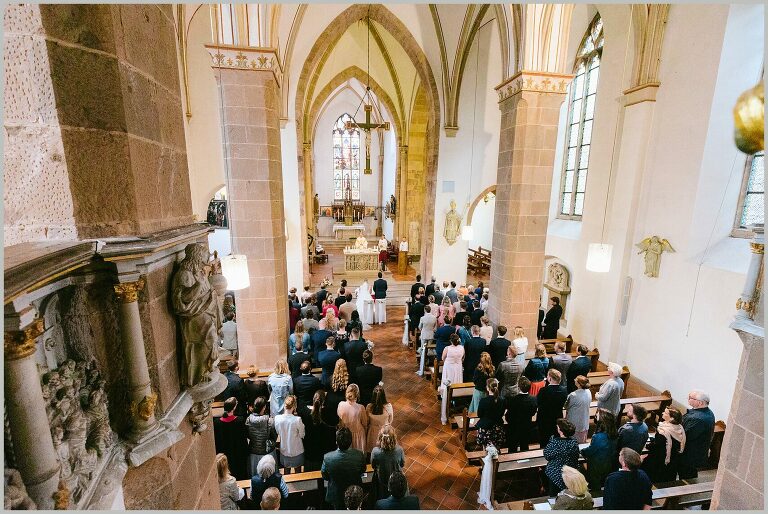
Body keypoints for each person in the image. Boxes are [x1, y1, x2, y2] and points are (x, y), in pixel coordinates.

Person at [322, 427, 367, 510]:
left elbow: (325, 476)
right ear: (350, 442)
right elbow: (363, 470)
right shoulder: (359, 455)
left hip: (336, 493)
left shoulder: (327, 457)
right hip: (355, 492)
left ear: (336, 442)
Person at [678, 389, 715, 479]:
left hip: (690, 454)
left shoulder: (698, 419)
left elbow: (686, 435)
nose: (688, 399)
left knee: (687, 473)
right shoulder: (707, 412)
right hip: (695, 451)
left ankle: (687, 490)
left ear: (700, 403)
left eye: (691, 398)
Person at [642, 407, 686, 483]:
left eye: (665, 413)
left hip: (661, 459)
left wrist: (648, 445)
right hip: (673, 457)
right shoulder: (680, 427)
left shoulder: (664, 432)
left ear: (671, 418)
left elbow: (657, 447)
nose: (662, 413)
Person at [581, 409, 619, 489]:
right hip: (609, 462)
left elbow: (591, 450)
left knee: (595, 484)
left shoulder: (598, 436)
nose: (595, 416)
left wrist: (582, 451)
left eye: (597, 415)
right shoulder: (614, 433)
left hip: (597, 464)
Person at [213, 397, 249, 480]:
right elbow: (244, 438)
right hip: (238, 454)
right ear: (234, 408)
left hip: (224, 453)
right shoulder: (240, 421)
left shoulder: (217, 423)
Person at [543, 419, 581, 496]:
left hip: (556, 474)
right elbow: (576, 455)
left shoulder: (555, 442)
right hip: (571, 472)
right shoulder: (574, 442)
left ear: (560, 430)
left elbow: (547, 455)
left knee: (554, 496)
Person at [370, 425, 405, 500]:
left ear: (380, 438)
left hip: (382, 480)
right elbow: (402, 464)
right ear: (393, 438)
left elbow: (373, 466)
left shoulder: (375, 452)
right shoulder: (399, 450)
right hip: (396, 480)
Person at [505, 376, 538, 452]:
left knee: (512, 447)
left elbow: (508, 415)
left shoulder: (513, 400)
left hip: (514, 427)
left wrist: (509, 421)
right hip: (526, 425)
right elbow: (533, 412)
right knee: (525, 446)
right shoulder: (533, 399)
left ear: (518, 387)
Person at [245, 397, 277, 477]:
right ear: (264, 407)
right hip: (267, 452)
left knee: (255, 476)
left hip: (254, 451)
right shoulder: (270, 421)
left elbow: (247, 435)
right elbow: (274, 436)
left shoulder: (248, 420)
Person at [537, 369, 568, 448]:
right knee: (556, 438)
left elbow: (538, 403)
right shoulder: (564, 390)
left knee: (544, 439)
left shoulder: (544, 391)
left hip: (544, 419)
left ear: (550, 378)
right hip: (557, 417)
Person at [274, 395, 305, 471]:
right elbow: (302, 434)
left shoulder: (277, 418)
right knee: (298, 472)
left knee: (286, 471)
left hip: (285, 449)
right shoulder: (297, 419)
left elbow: (278, 432)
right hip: (297, 450)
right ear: (294, 407)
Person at [475, 378, 506, 449]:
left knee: (485, 448)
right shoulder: (502, 400)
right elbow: (502, 413)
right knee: (497, 447)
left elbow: (479, 415)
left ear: (488, 388)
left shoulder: (484, 401)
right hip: (497, 427)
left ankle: (486, 458)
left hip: (486, 428)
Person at [338, 383, 369, 451]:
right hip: (358, 436)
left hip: (345, 436)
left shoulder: (340, 405)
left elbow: (339, 420)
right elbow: (365, 424)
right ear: (357, 395)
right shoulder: (361, 408)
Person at [366, 386, 394, 453]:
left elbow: (367, 421)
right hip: (385, 432)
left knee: (373, 449)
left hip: (372, 432)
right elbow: (391, 420)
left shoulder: (369, 407)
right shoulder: (388, 406)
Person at [564, 375, 591, 443]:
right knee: (582, 440)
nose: (574, 380)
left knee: (573, 440)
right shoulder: (588, 391)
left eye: (576, 380)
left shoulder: (573, 395)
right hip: (584, 418)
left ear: (579, 384)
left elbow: (566, 406)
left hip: (575, 420)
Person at [326, 359, 349, 426]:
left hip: (331, 402)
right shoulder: (349, 379)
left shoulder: (330, 378)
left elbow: (326, 389)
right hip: (344, 402)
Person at [417, 305, 438, 376]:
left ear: (425, 310)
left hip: (424, 335)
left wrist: (423, 329)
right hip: (431, 335)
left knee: (423, 349)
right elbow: (435, 328)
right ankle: (429, 362)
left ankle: (423, 362)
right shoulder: (434, 318)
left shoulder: (422, 318)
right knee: (430, 349)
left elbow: (420, 327)